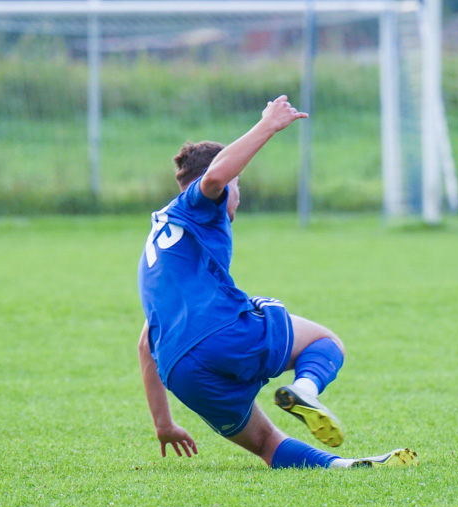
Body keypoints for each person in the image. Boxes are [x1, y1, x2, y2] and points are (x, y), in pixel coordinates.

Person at [137, 95, 417, 469]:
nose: (236, 195)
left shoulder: (159, 243)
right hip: (219, 335)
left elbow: (145, 345)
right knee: (325, 342)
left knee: (268, 443)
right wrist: (269, 124)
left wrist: (165, 424)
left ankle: (345, 467)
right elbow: (216, 177)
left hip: (180, 370)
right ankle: (304, 390)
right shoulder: (198, 204)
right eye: (239, 185)